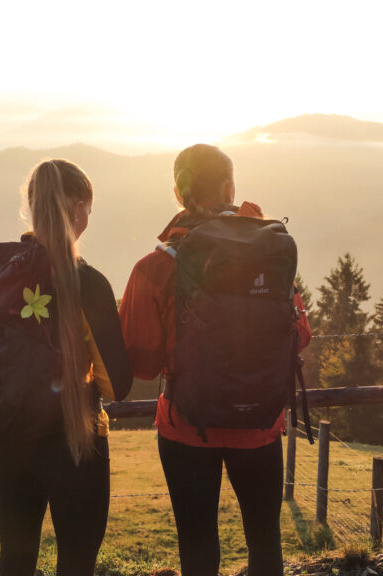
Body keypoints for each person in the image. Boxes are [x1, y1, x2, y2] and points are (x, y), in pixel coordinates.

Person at [119, 144, 311, 576]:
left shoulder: (154, 267)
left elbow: (143, 365)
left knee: (197, 541)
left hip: (186, 425)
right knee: (265, 541)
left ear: (178, 191)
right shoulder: (268, 253)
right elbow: (299, 334)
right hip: (260, 424)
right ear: (230, 187)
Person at [0, 159, 132, 576]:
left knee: (15, 562)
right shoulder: (89, 283)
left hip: (11, 438)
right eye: (89, 205)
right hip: (77, 439)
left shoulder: (2, 276)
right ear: (76, 208)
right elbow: (116, 383)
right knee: (76, 561)